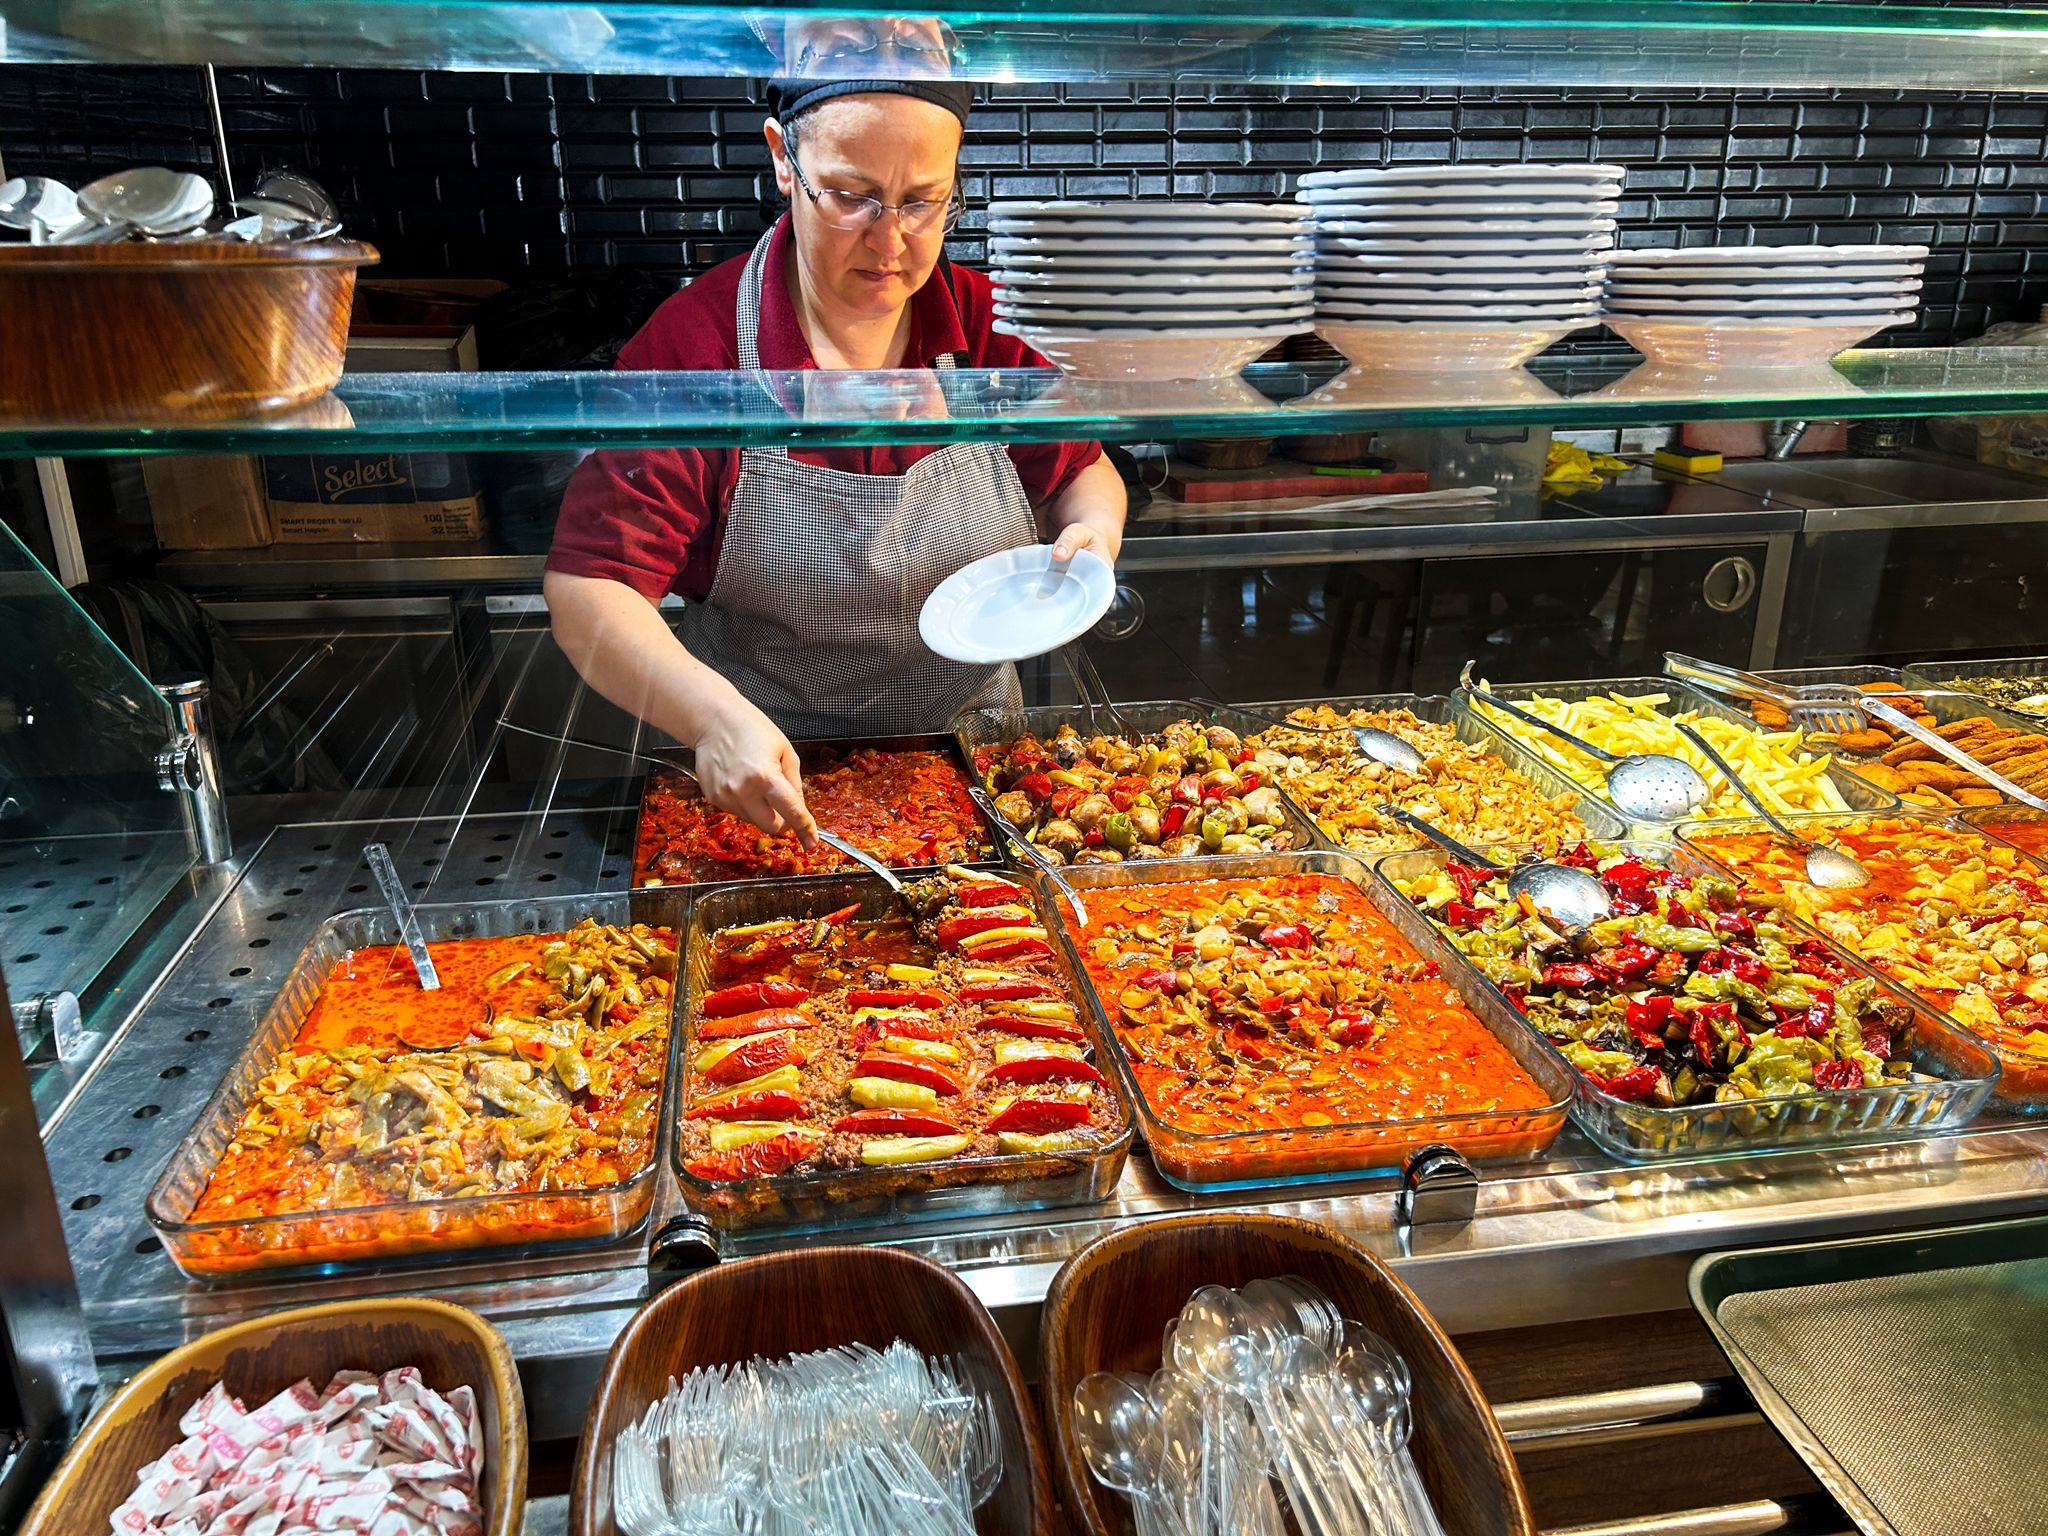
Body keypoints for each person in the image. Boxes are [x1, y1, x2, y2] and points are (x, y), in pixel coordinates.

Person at [545, 76, 1125, 842]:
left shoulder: (987, 324)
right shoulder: (699, 345)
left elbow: (1082, 471)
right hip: (764, 786)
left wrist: (1094, 536)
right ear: (784, 161)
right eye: (853, 198)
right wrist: (711, 722)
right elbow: (593, 585)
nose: (890, 242)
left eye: (923, 202)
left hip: (983, 779)